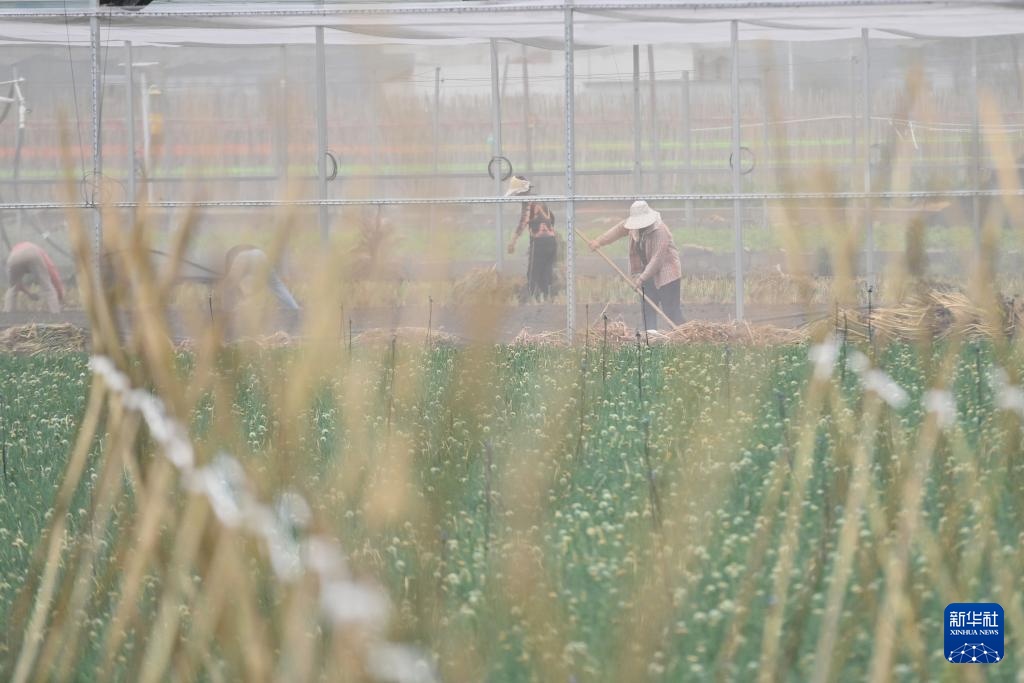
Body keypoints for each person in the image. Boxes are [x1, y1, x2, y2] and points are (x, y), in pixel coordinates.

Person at [589, 200, 683, 330]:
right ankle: (650, 338)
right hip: (645, 273)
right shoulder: (633, 227)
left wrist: (640, 279)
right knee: (647, 310)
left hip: (667, 274)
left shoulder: (660, 231)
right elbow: (617, 231)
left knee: (671, 311)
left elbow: (657, 260)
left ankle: (682, 338)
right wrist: (599, 241)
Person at [505, 175, 558, 301]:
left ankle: (530, 298)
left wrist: (512, 242)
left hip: (539, 242)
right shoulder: (540, 199)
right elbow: (552, 218)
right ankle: (547, 298)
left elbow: (523, 222)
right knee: (546, 271)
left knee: (533, 272)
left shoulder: (528, 202)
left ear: (520, 192)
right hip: (551, 241)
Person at [222, 245, 300, 311]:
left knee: (244, 290)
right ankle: (294, 307)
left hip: (249, 259)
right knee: (277, 285)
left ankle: (233, 309)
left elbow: (231, 281)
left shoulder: (236, 261)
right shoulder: (239, 258)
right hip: (261, 255)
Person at [4, 241, 64, 314]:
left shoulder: (16, 250)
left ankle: (7, 315)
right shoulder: (40, 252)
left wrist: (29, 294)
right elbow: (53, 273)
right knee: (47, 287)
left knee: (12, 288)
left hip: (13, 257)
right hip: (32, 253)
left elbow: (16, 284)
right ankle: (56, 314)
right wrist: (60, 295)